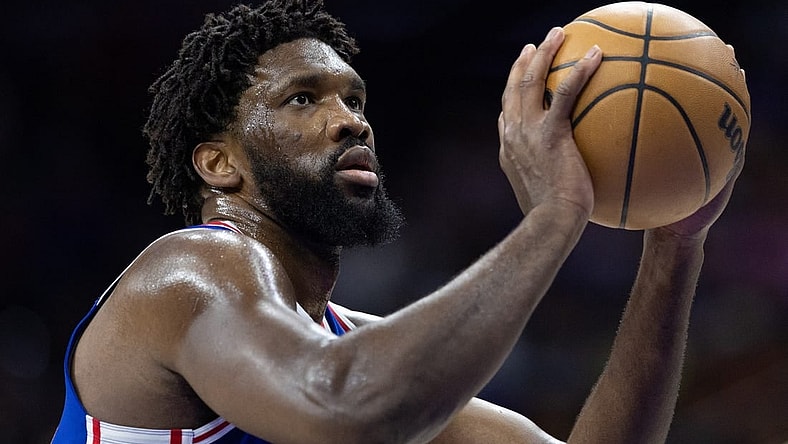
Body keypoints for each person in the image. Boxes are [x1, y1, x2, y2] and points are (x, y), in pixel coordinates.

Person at [51, 1, 745, 443]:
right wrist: (558, 212)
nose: (351, 121)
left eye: (355, 100)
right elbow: (349, 408)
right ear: (218, 163)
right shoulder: (186, 272)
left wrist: (675, 245)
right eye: (302, 99)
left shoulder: (360, 352)